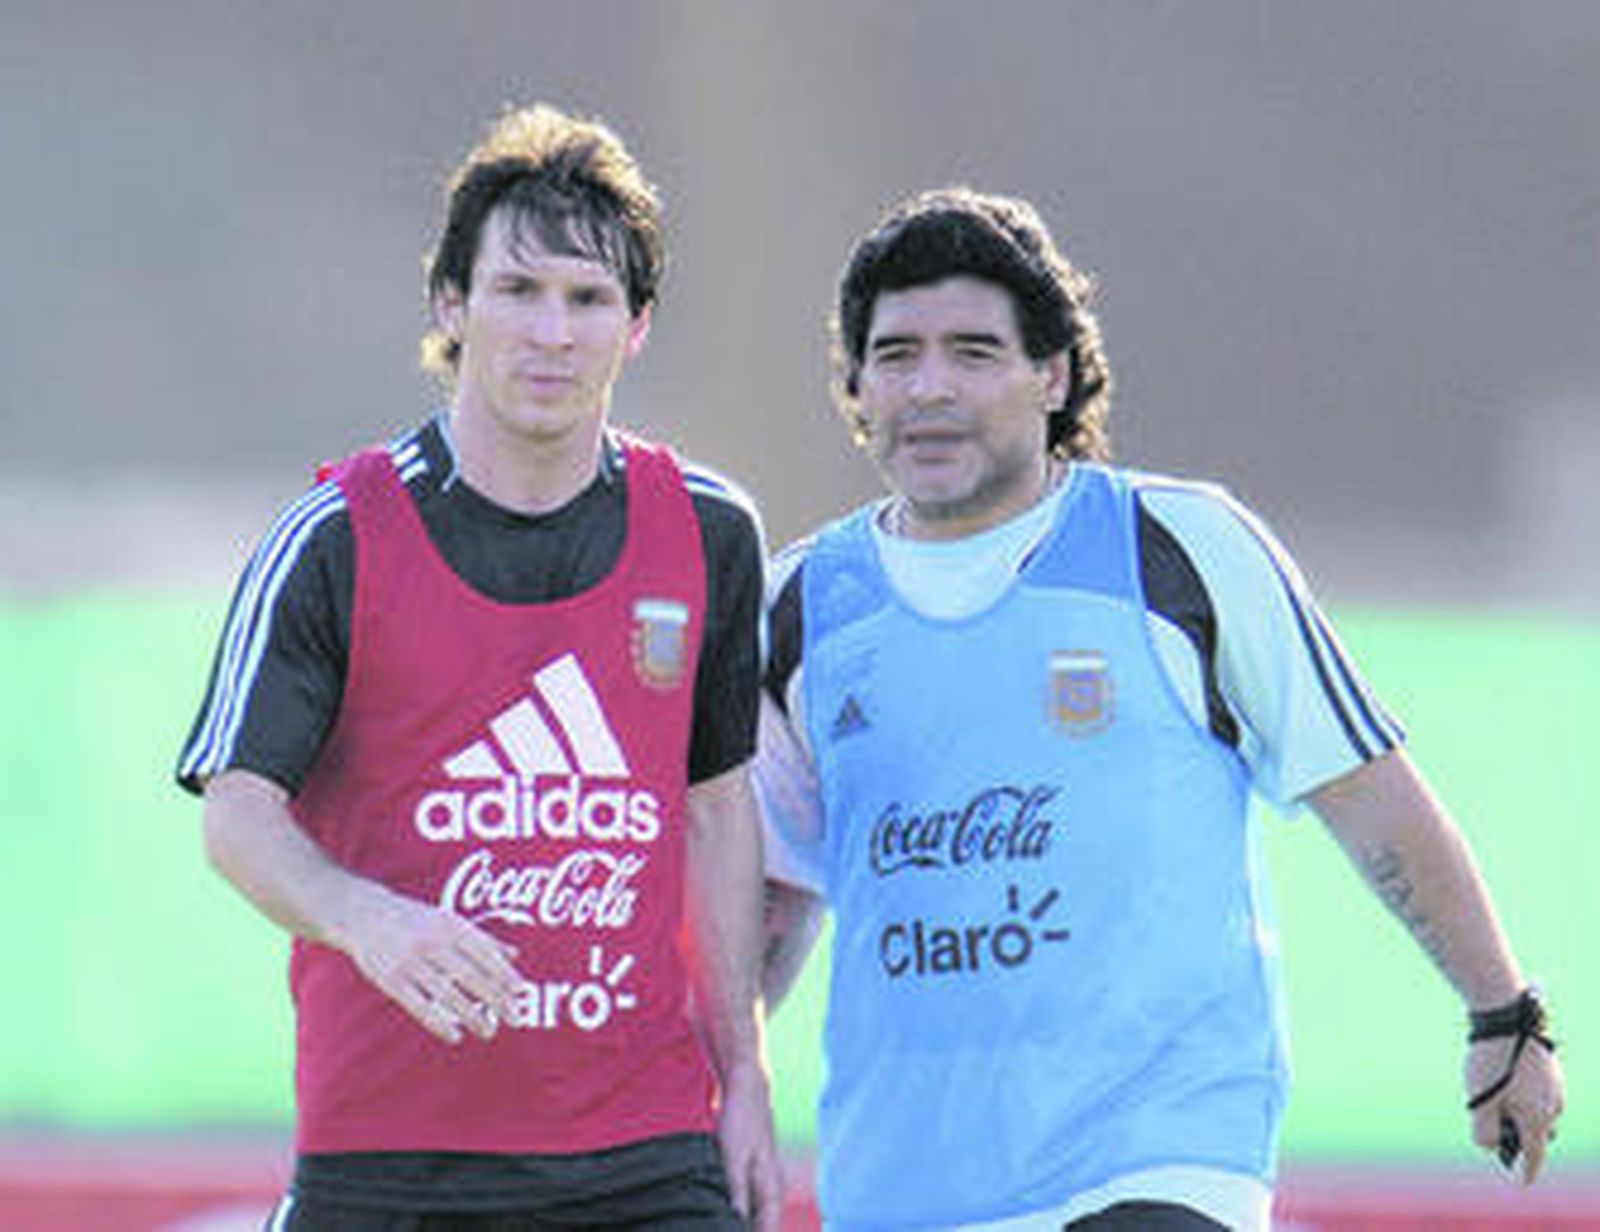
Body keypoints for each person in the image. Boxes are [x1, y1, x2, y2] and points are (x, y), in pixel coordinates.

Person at [755, 186, 1565, 1231]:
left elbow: (1371, 796)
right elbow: (767, 897)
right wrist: (697, 1091)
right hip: (906, 1187)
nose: (929, 388)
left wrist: (1501, 1010)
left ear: (1051, 373)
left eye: (972, 351)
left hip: (1159, 1164)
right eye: (896, 355)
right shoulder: (796, 606)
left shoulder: (1178, 551)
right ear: (856, 384)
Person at [176, 103, 781, 1231]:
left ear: (636, 324)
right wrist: (368, 917)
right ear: (451, 304)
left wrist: (742, 1075)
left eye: (589, 298)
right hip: (392, 1160)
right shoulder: (336, 536)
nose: (552, 332)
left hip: (645, 1152)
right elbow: (237, 814)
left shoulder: (708, 533)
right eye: (519, 290)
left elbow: (714, 809)